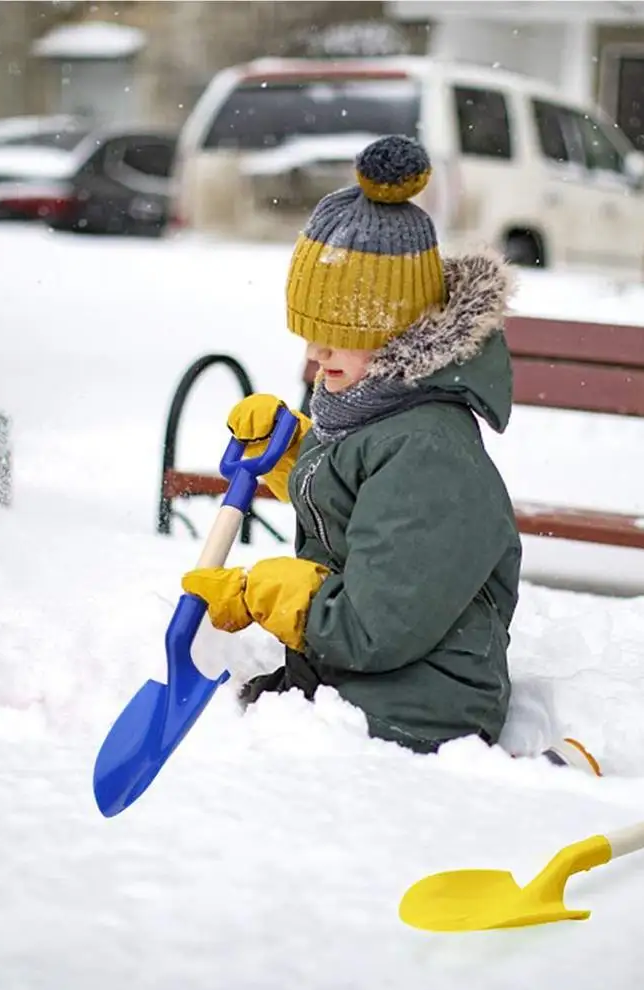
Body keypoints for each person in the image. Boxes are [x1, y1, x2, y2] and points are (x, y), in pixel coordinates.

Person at [181, 135, 600, 776]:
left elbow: (373, 626)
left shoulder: (429, 451)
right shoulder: (376, 408)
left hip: (421, 706)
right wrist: (293, 451)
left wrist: (270, 591)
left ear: (394, 336)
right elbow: (362, 511)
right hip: (355, 681)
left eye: (334, 342)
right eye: (308, 338)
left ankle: (541, 779)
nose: (312, 361)